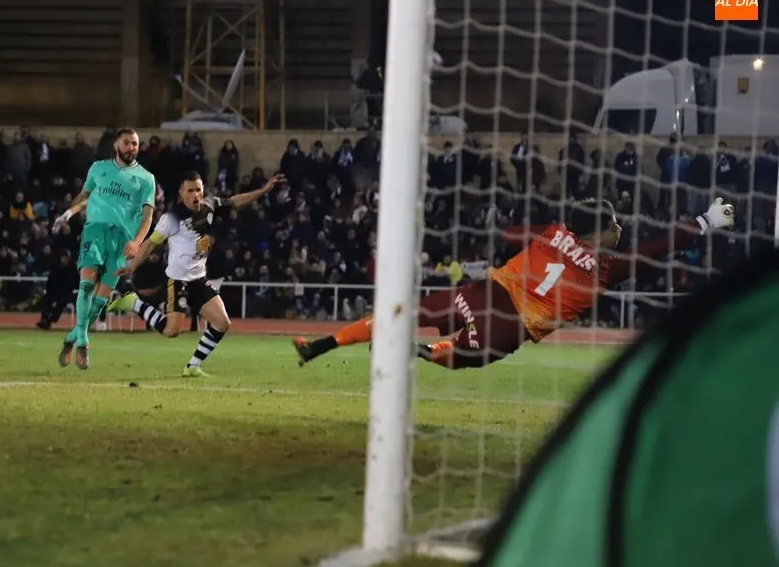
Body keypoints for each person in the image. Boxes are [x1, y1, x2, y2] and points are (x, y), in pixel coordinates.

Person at [293, 197, 735, 370]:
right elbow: (658, 248)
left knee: (405, 312)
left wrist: (532, 237)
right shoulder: (607, 268)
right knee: (462, 357)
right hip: (512, 325)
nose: (620, 228)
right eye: (614, 223)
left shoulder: (553, 231)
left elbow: (510, 233)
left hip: (483, 292)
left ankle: (322, 344)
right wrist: (706, 220)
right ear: (600, 231)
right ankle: (421, 352)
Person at [110, 170, 283, 377]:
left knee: (222, 323)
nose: (196, 195)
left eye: (198, 190)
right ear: (181, 193)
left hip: (199, 280)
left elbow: (235, 201)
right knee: (172, 331)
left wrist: (263, 191)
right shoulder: (172, 218)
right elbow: (150, 244)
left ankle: (192, 366)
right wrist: (131, 266)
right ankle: (134, 302)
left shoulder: (210, 206)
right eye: (190, 191)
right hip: (178, 281)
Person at [51, 127, 156, 370]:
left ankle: (72, 337)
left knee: (100, 301)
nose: (132, 147)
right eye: (127, 142)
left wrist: (137, 241)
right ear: (116, 145)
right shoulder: (98, 168)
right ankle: (83, 343)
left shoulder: (146, 178)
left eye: (135, 143)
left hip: (122, 240)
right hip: (95, 231)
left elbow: (148, 216)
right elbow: (84, 196)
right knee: (86, 284)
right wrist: (67, 213)